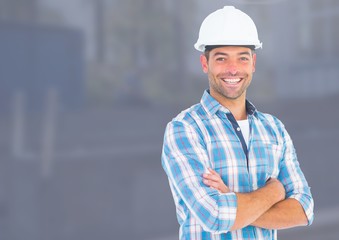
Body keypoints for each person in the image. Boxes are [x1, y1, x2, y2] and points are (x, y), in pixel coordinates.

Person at [161, 6, 314, 239]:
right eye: (221, 58)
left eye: (242, 58)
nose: (233, 69)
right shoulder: (184, 129)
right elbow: (215, 216)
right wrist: (275, 191)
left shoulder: (274, 129)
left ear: (253, 63)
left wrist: (230, 196)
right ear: (205, 63)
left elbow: (304, 210)